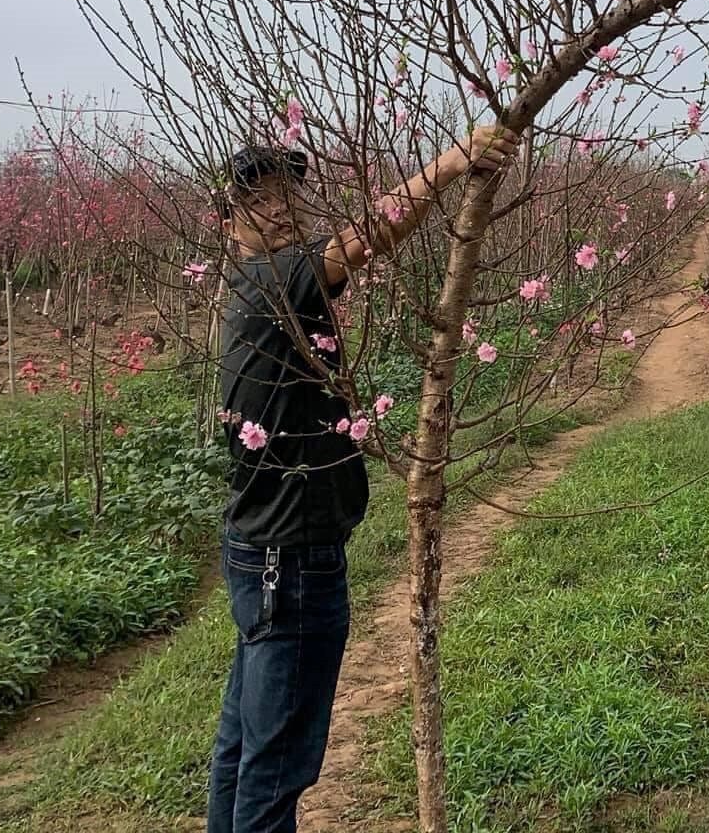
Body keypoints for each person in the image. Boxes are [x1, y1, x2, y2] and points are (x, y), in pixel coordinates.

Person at [207, 122, 518, 833]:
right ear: (228, 221)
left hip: (264, 551)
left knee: (246, 749)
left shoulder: (260, 287)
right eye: (258, 197)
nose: (281, 207)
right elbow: (359, 242)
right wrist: (448, 165)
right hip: (292, 560)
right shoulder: (269, 283)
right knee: (276, 766)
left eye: (290, 191)